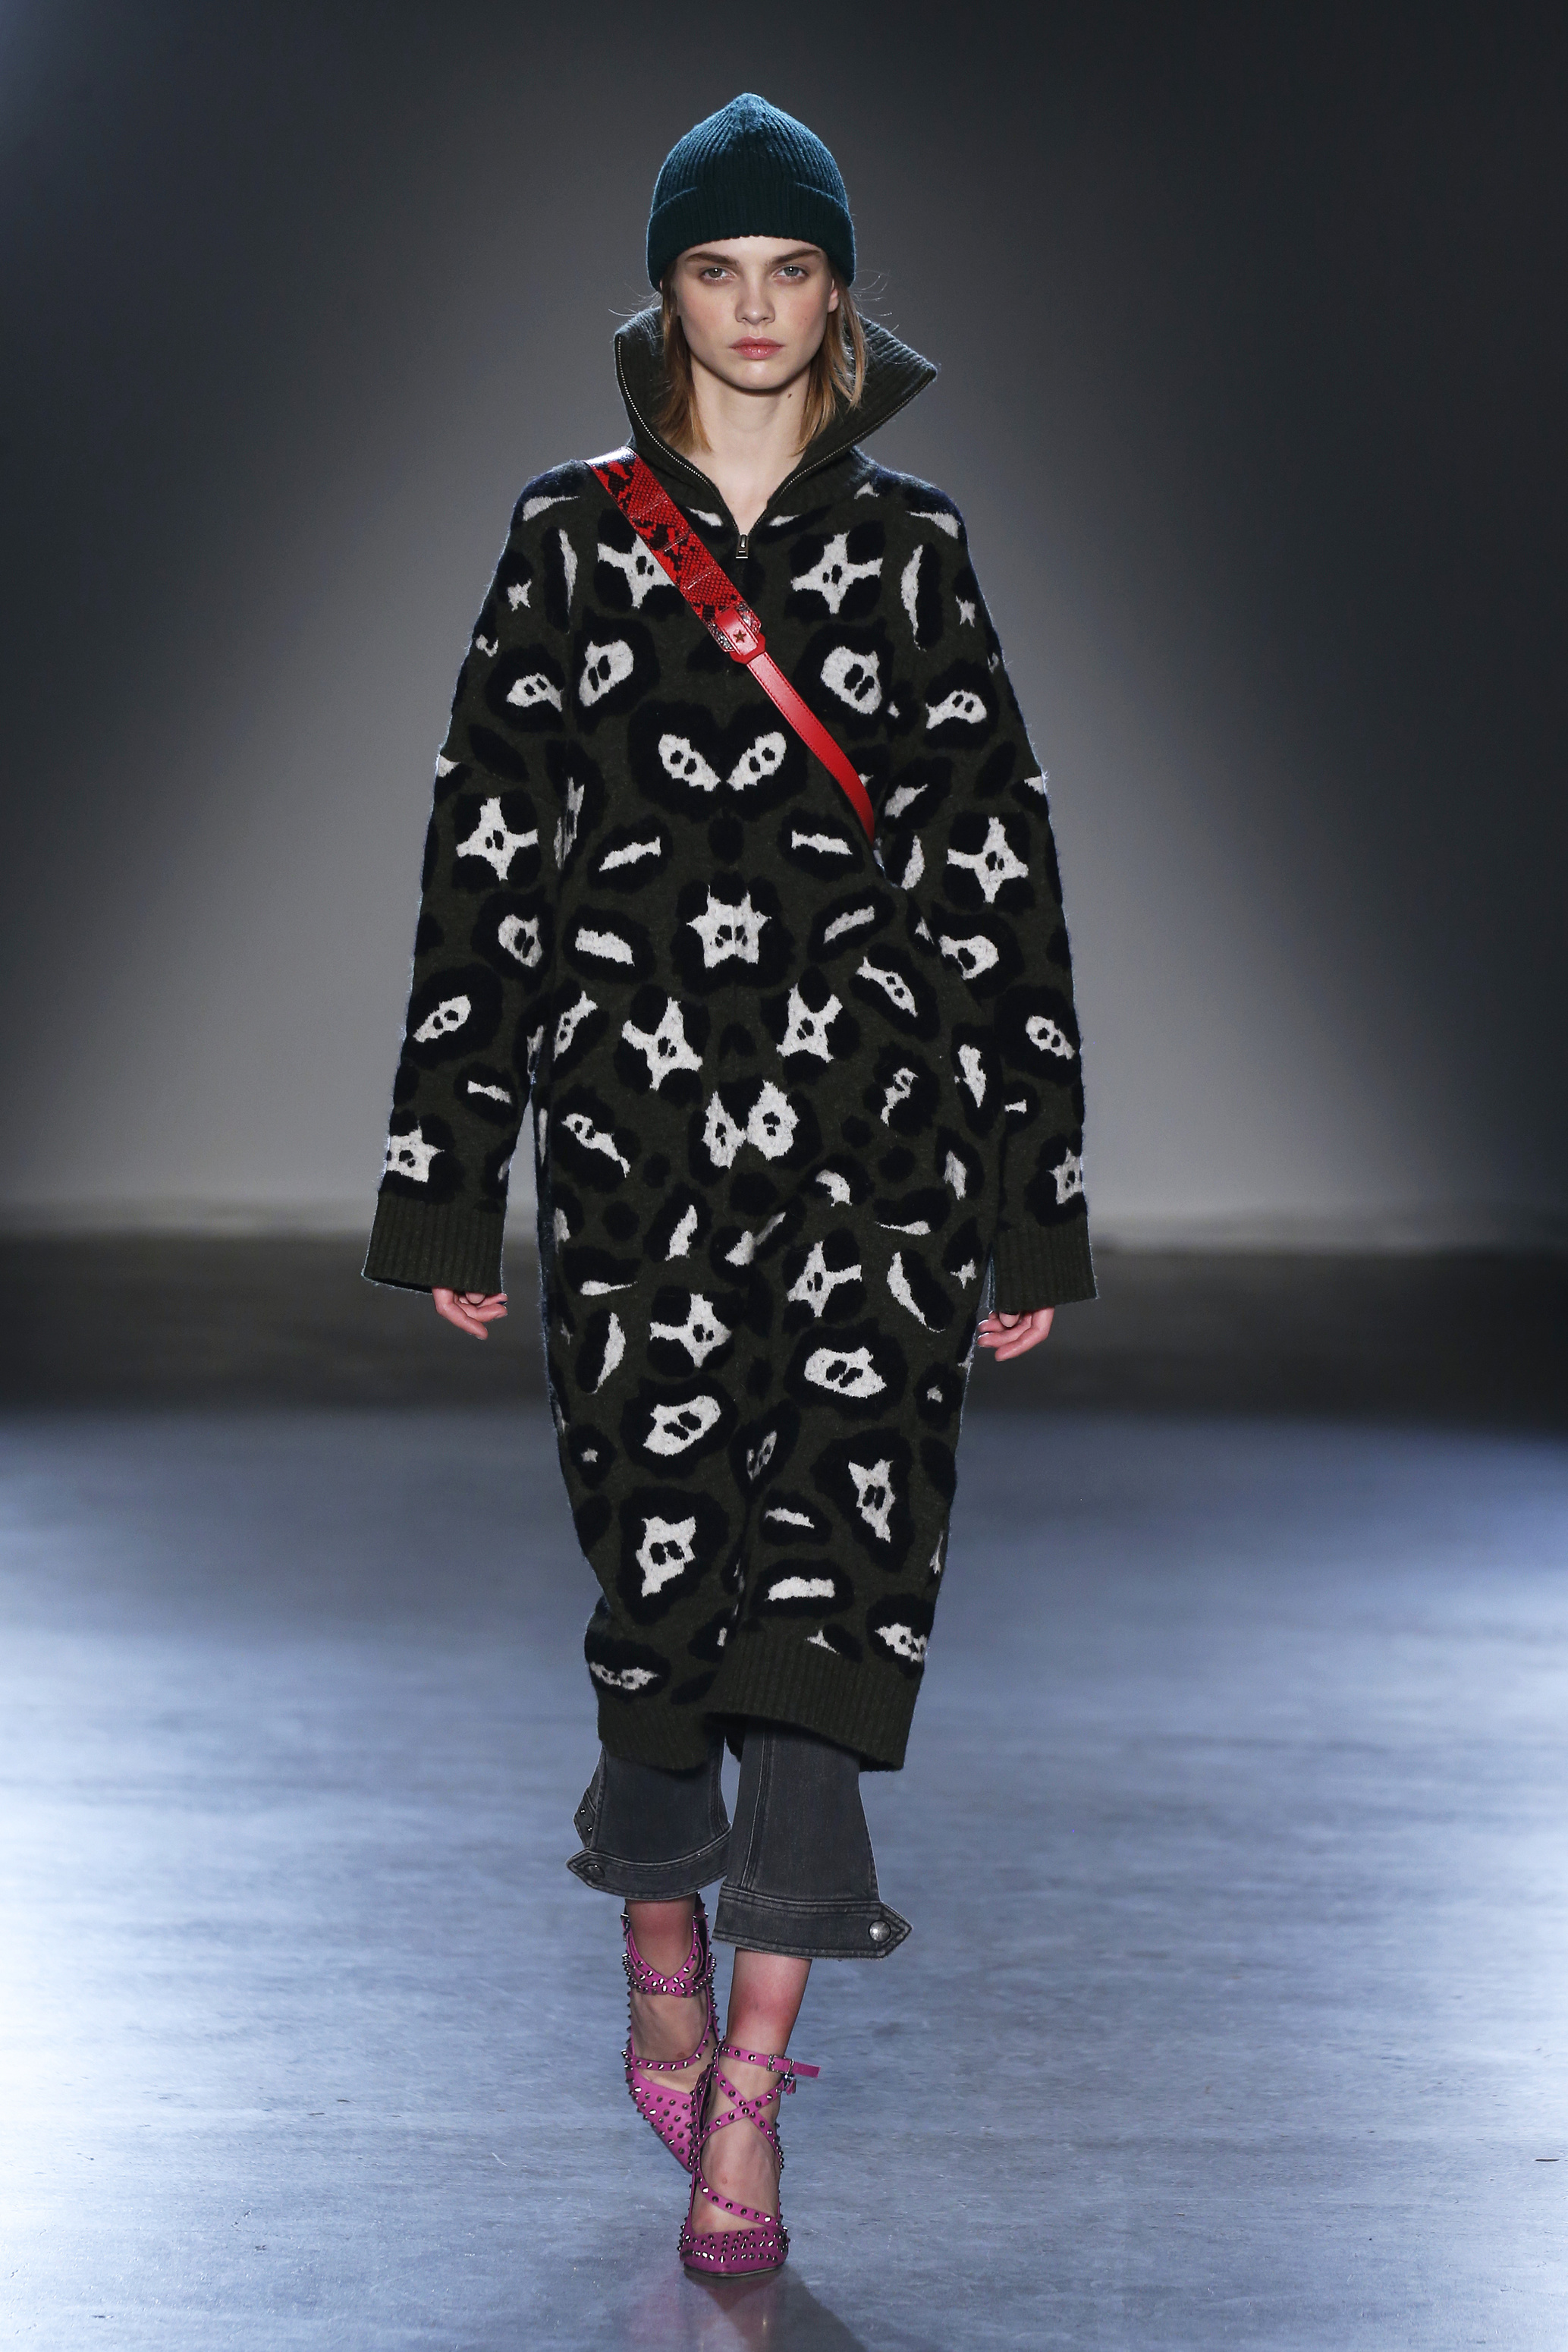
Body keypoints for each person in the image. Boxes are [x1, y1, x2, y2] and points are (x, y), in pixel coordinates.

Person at [364, 92, 1094, 2278]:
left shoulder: (915, 549)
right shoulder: (568, 542)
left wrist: (1028, 1197)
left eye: (791, 271)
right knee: (665, 1598)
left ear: (837, 294)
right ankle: (657, 1937)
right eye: (717, 269)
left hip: (881, 1163)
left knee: (834, 1608)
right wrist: (448, 1178)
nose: (756, 310)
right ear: (664, 293)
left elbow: (997, 881)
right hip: (636, 1156)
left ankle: (751, 2101)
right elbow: (485, 863)